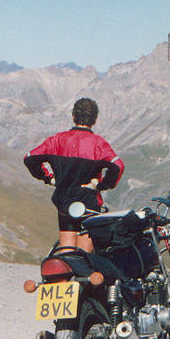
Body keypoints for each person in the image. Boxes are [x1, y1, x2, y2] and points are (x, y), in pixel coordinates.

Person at [24, 98, 124, 252]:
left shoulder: (56, 140)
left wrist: (49, 178)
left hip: (64, 202)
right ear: (95, 119)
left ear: (73, 116)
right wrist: (102, 185)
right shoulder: (98, 143)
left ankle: (64, 275)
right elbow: (118, 166)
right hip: (88, 203)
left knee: (67, 256)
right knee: (84, 258)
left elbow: (29, 158)